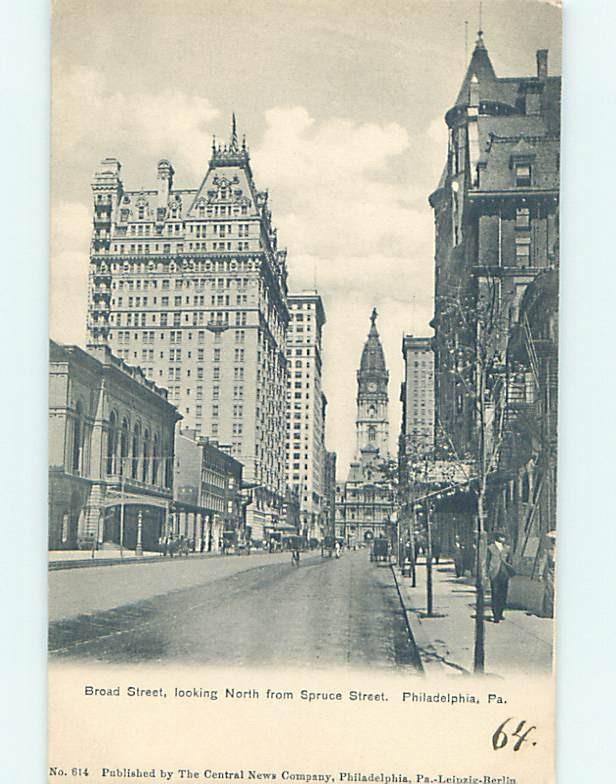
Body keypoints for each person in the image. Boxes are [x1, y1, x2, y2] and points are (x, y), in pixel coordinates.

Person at [486, 532, 514, 623]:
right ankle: (495, 615)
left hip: (504, 574)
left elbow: (510, 561)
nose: (503, 538)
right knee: (495, 594)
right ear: (497, 537)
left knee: (503, 594)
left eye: (504, 537)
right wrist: (487, 573)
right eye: (502, 536)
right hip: (494, 573)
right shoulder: (490, 548)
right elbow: (486, 561)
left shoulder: (507, 548)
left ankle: (501, 612)